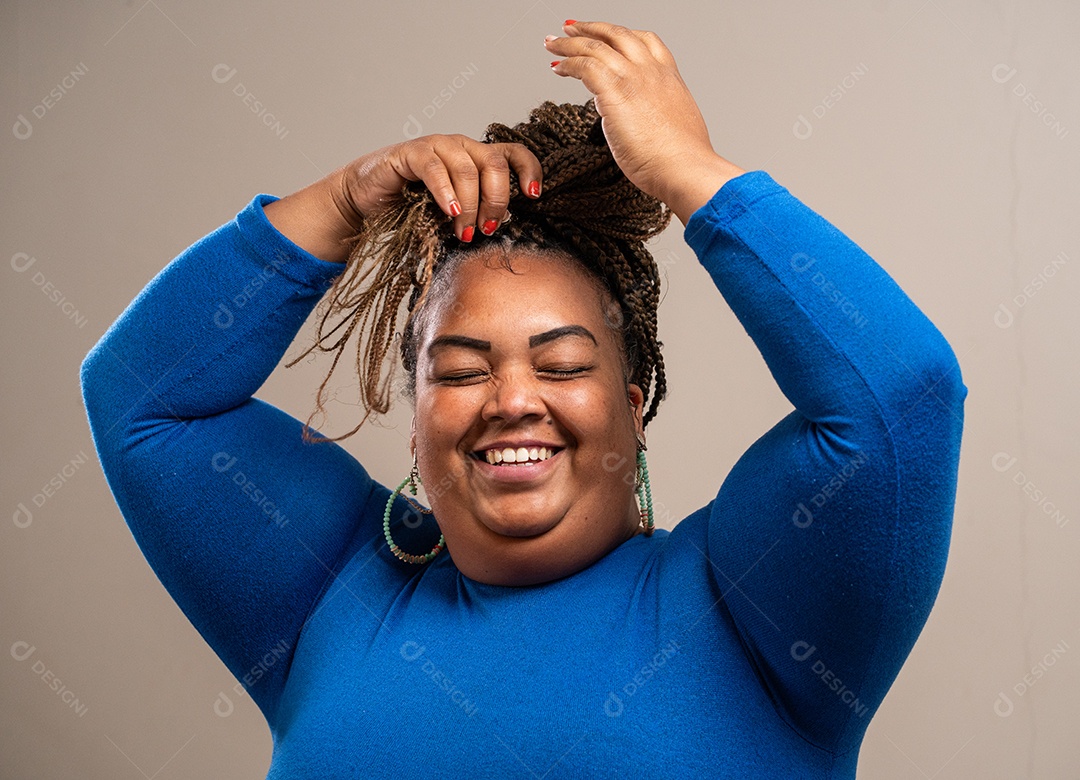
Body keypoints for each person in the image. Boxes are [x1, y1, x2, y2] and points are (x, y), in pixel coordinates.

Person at [80, 20, 967, 779]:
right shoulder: (327, 594)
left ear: (633, 408)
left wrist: (689, 172)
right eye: (461, 371)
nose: (510, 400)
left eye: (563, 365)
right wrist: (347, 200)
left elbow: (903, 399)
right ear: (417, 425)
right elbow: (140, 399)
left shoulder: (750, 606)